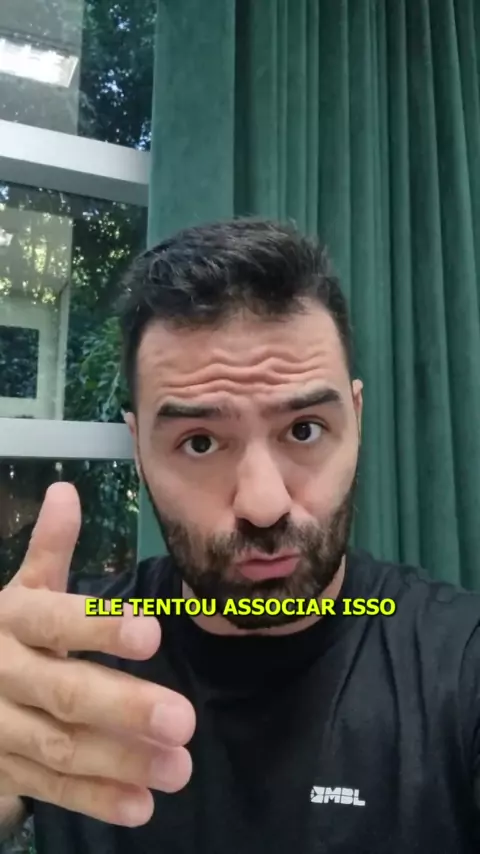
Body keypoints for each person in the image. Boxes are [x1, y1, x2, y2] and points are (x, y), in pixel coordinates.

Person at [0, 217, 480, 854]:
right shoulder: (61, 660)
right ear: (138, 449)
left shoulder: (459, 661)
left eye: (304, 430)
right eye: (200, 442)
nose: (263, 505)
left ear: (356, 419)